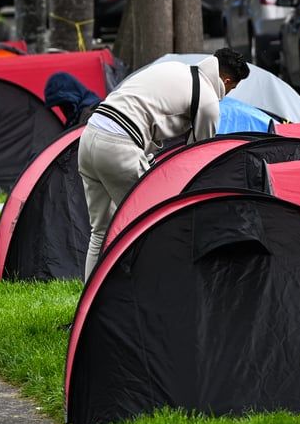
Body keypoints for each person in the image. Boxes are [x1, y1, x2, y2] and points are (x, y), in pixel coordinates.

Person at [78, 48, 250, 280]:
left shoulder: (174, 69)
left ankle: (89, 299)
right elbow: (198, 157)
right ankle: (142, 293)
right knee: (152, 227)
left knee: (100, 230)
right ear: (227, 81)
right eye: (232, 88)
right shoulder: (208, 101)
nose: (228, 94)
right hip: (119, 147)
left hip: (89, 135)